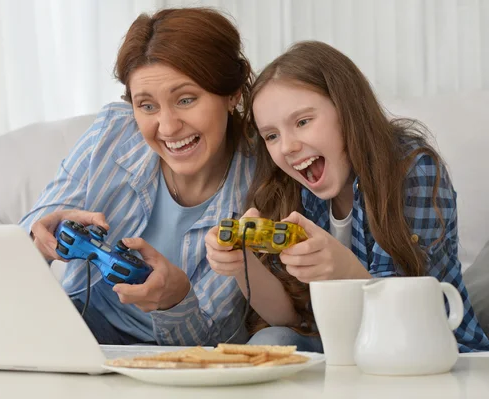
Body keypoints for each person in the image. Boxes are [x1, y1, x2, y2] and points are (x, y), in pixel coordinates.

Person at [205, 40, 489, 352]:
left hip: (423, 346)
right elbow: (289, 319)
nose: (286, 147)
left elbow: (410, 321)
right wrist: (241, 264)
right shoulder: (290, 189)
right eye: (272, 136)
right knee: (271, 342)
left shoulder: (411, 170)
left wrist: (345, 271)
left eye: (302, 122)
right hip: (338, 347)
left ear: (348, 110)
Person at [19, 7, 256, 346]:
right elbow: (22, 240)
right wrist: (40, 236)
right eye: (147, 106)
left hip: (181, 354)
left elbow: (212, 343)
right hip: (82, 328)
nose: (169, 127)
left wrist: (176, 302)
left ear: (232, 93)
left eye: (186, 99)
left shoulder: (263, 181)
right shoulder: (112, 131)